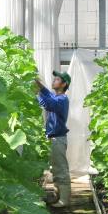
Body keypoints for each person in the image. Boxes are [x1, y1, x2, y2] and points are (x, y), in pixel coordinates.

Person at [34, 71, 71, 207]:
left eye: (57, 79)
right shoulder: (57, 97)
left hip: (58, 139)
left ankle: (64, 200)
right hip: (55, 138)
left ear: (64, 84)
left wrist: (37, 93)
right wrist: (40, 86)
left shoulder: (62, 99)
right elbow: (48, 95)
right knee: (56, 169)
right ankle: (58, 196)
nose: (54, 80)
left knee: (60, 169)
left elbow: (48, 103)